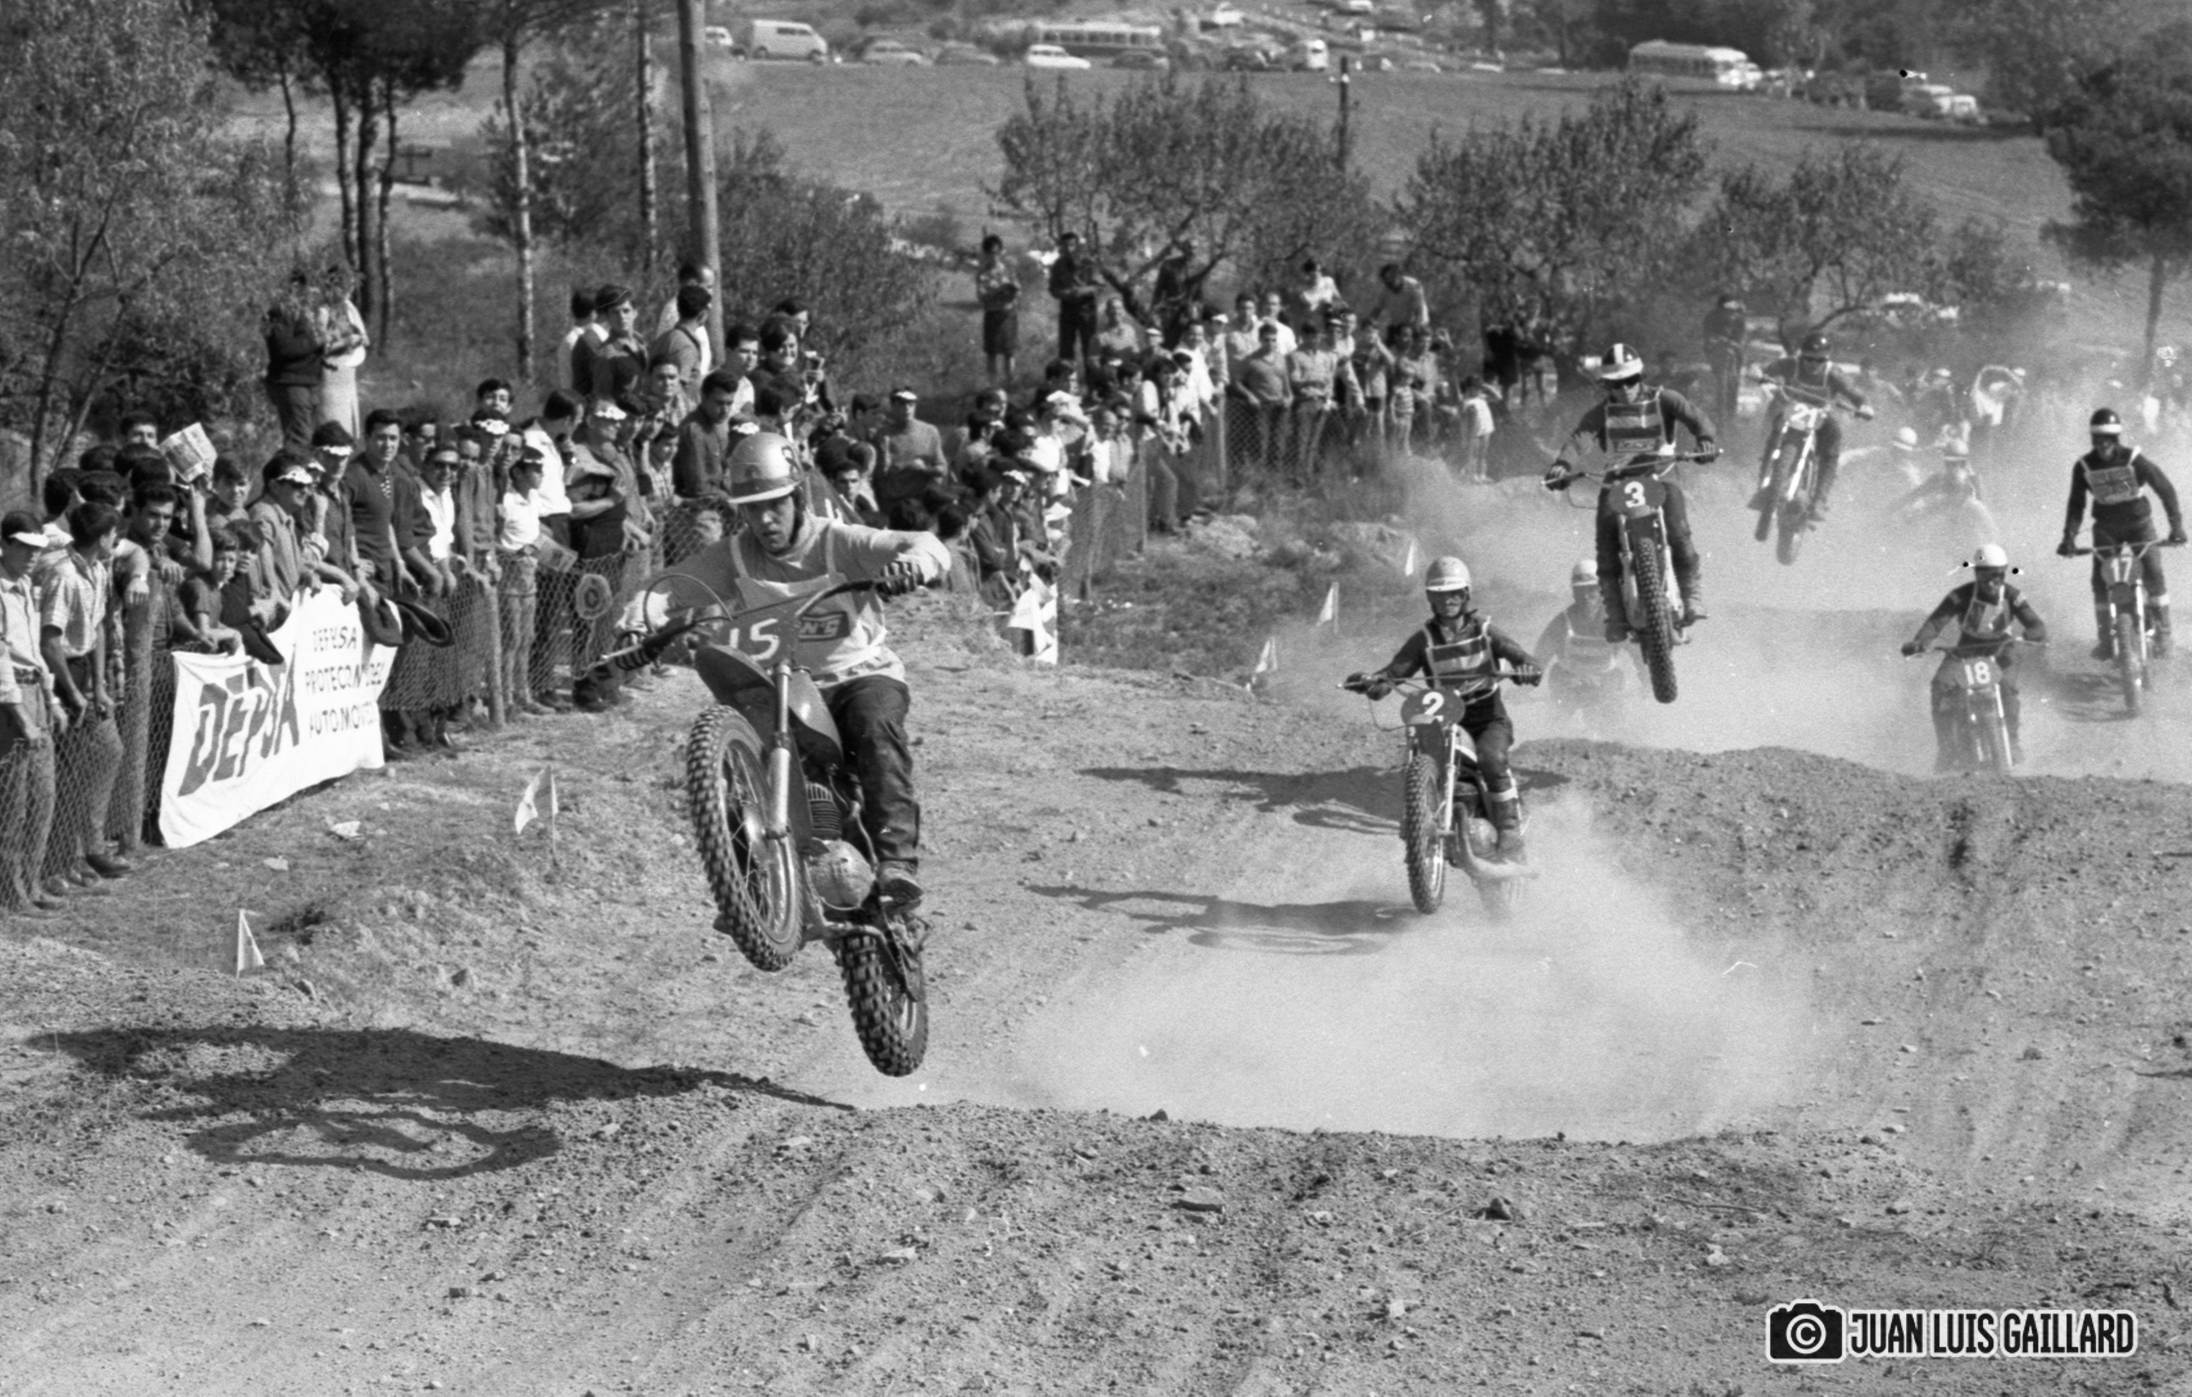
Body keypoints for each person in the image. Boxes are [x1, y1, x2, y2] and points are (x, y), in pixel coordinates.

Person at [668, 433, 947, 905]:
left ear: (797, 496)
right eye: (752, 509)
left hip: (860, 674)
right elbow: (670, 587)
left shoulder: (838, 541)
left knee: (874, 728)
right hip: (786, 688)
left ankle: (896, 861)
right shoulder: (733, 556)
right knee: (745, 778)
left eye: (774, 505)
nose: (764, 520)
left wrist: (914, 566)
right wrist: (635, 622)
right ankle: (749, 898)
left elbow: (924, 543)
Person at [1347, 556, 1543, 857]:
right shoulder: (1423, 639)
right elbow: (1395, 672)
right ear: (1430, 598)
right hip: (1448, 721)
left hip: (1489, 720)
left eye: (1454, 593)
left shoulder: (1485, 630)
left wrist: (1527, 668)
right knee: (1427, 758)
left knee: (1491, 758)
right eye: (1440, 594)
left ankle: (1509, 829)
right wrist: (1372, 683)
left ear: (1466, 595)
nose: (1448, 600)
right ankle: (1427, 816)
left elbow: (1520, 656)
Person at [1542, 343, 1719, 637]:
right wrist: (1562, 465)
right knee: (1606, 543)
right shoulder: (1601, 412)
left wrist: (1706, 440)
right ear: (1606, 385)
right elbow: (1579, 438)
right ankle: (1614, 613)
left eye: (1630, 380)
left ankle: (1692, 596)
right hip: (1618, 480)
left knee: (1679, 532)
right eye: (1616, 383)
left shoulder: (1666, 399)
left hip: (1661, 475)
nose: (1624, 389)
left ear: (1641, 377)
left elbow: (1697, 417)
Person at [39, 501, 130, 887]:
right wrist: (74, 693)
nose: (116, 539)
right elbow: (50, 641)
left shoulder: (98, 571)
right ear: (102, 537)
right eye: (112, 534)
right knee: (65, 773)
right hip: (62, 674)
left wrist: (99, 686)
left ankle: (82, 849)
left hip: (87, 672)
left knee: (103, 755)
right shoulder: (64, 575)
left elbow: (98, 629)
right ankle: (55, 863)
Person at [1900, 544, 2048, 768]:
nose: (1992, 582)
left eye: (1998, 575)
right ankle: (1946, 748)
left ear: (2004, 574)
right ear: (1977, 574)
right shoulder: (1960, 596)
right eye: (1986, 575)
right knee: (1940, 685)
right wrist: (1920, 642)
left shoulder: (2012, 596)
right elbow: (1936, 622)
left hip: (2002, 648)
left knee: (2007, 686)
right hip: (1966, 648)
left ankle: (2012, 742)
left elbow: (2035, 623)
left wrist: (2033, 633)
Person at [2057, 407, 2185, 659]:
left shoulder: (2133, 459)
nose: (2103, 444)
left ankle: (2164, 634)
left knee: (2153, 572)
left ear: (2116, 438)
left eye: (2108, 438)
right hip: (2106, 528)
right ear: (2092, 439)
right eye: (2098, 439)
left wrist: (2176, 527)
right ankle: (2105, 640)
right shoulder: (2083, 466)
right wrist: (2068, 538)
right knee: (2100, 581)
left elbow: (2165, 489)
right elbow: (2076, 504)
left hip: (2140, 525)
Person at [0, 510, 63, 911]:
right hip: (10, 700)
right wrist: (21, 715)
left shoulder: (24, 586)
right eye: (24, 548)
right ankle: (11, 891)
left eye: (37, 549)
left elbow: (35, 652)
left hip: (35, 690)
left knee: (43, 796)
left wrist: (50, 698)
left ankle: (32, 881)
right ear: (5, 544)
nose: (32, 556)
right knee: (13, 804)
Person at [1754, 331, 1875, 525]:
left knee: (1834, 440)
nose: (1812, 364)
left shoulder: (1833, 373)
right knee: (1774, 430)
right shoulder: (1790, 364)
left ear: (1826, 359)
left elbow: (1855, 392)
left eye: (1819, 360)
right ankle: (1763, 485)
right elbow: (1764, 369)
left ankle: (1819, 500)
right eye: (1808, 358)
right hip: (1792, 413)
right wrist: (1757, 372)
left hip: (1821, 417)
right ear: (1802, 355)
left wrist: (1864, 405)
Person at [1533, 557, 1637, 711]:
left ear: (1601, 590)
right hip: (1568, 683)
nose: (1586, 596)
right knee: (1557, 710)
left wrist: (1648, 683)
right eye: (1580, 590)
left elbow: (1638, 654)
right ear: (1574, 593)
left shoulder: (1617, 623)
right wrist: (1523, 689)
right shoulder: (1560, 624)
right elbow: (1538, 660)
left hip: (1604, 683)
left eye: (1591, 589)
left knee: (1613, 690)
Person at [1048, 231, 1102, 367]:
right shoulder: (1058, 265)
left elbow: (1099, 285)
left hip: (1086, 308)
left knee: (1090, 347)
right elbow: (1053, 289)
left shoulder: (1088, 263)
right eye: (1064, 245)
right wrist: (1064, 294)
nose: (1068, 249)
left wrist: (1082, 291)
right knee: (1065, 349)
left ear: (1077, 246)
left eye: (1071, 245)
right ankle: (1068, 378)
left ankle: (1092, 379)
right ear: (1061, 247)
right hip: (1067, 308)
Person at [974, 234, 1020, 386]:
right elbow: (981, 297)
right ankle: (992, 386)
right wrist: (996, 292)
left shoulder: (1009, 270)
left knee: (1009, 352)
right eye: (990, 253)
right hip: (992, 314)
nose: (994, 256)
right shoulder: (982, 273)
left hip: (1008, 314)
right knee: (991, 353)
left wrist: (1012, 291)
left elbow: (1018, 290)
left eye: (996, 252)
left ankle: (1010, 383)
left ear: (1001, 252)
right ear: (985, 254)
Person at [1701, 293, 1748, 428]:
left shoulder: (1736, 318)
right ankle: (1722, 416)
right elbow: (1707, 336)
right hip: (1718, 354)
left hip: (1729, 355)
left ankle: (1728, 417)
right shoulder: (1714, 316)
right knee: (1724, 385)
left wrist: (1734, 346)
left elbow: (1741, 339)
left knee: (1732, 384)